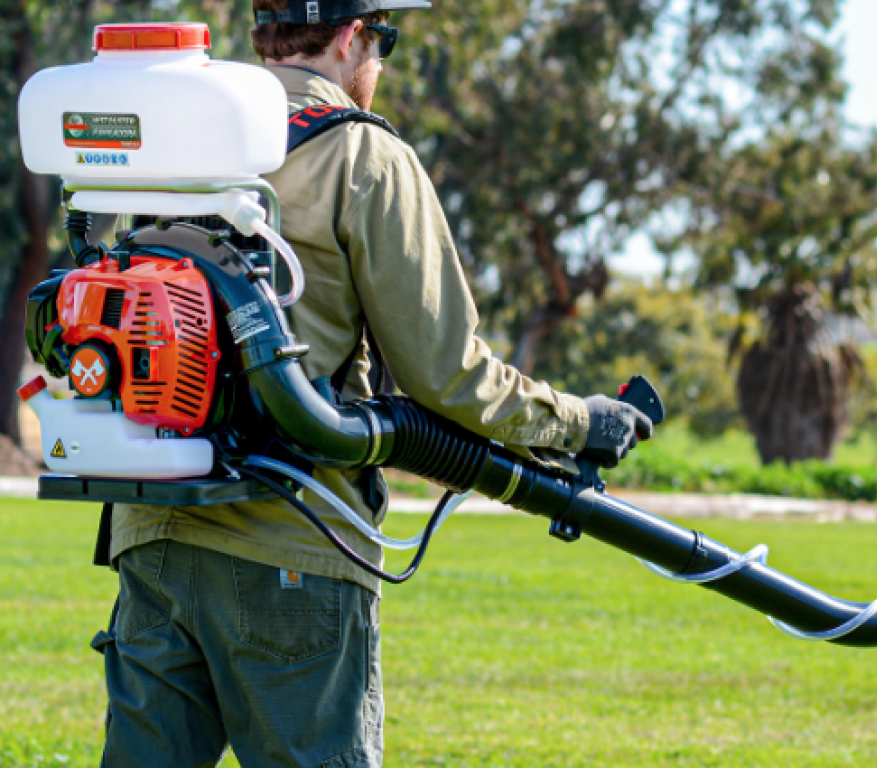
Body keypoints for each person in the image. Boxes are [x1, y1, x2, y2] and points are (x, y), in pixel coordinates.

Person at [95, 2, 654, 766]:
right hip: (291, 540)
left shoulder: (180, 141)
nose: (380, 62)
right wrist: (578, 422)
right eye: (383, 40)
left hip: (152, 535)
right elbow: (448, 374)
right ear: (353, 36)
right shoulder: (363, 156)